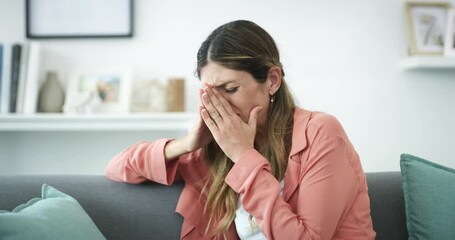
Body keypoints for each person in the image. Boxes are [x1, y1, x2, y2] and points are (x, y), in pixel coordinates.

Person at [105, 20, 376, 240]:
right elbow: (118, 167)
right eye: (211, 93)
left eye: (231, 89)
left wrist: (244, 156)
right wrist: (188, 143)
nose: (220, 104)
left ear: (272, 80)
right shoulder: (216, 146)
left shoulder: (320, 133)